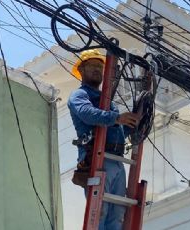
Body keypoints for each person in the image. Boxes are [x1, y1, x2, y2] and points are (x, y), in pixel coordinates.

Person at [67, 49, 139, 230]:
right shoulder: (80, 95)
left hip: (116, 160)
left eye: (100, 67)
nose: (97, 70)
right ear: (81, 70)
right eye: (92, 66)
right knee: (101, 211)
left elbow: (117, 127)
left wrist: (132, 124)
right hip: (98, 158)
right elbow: (87, 114)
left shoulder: (108, 102)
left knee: (117, 216)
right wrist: (116, 118)